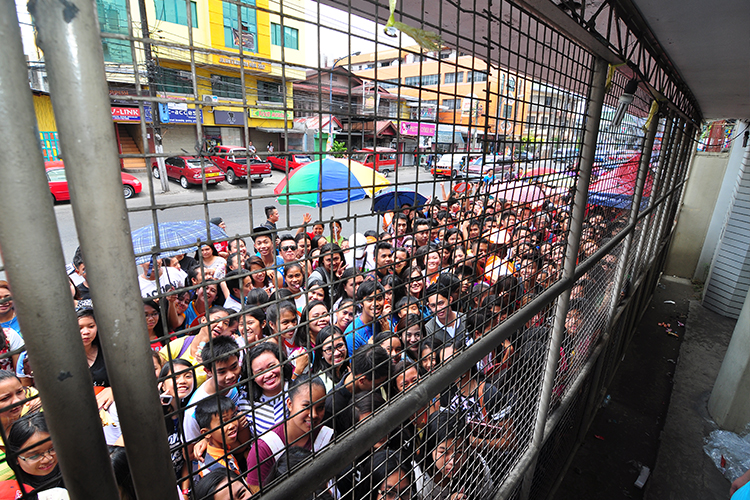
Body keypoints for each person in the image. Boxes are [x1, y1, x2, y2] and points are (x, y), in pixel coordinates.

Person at [246, 374, 332, 492]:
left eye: (320, 407)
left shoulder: (326, 436)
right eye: (306, 406)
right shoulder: (264, 449)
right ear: (289, 404)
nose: (314, 415)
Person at [324, 344, 390, 435]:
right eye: (378, 384)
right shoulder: (332, 406)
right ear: (362, 380)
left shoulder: (372, 386)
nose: (379, 387)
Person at [0, 412, 65, 496]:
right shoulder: (16, 493)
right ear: (15, 458)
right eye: (34, 456)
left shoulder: (79, 472)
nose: (47, 459)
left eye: (53, 449)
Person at [158, 359, 196, 484]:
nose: (182, 381)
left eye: (188, 376)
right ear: (162, 385)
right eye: (175, 377)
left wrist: (185, 492)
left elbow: (187, 460)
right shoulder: (152, 414)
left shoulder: (191, 411)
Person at [246, 342, 291, 438]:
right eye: (260, 372)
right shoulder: (245, 403)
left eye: (271, 366)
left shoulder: (297, 389)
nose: (268, 374)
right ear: (252, 377)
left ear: (281, 363)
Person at [193, 396, 241, 479]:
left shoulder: (221, 445)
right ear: (207, 433)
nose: (232, 425)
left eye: (233, 417)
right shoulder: (217, 469)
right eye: (223, 422)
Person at [344, 280, 388, 355]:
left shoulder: (386, 324)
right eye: (369, 300)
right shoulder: (352, 335)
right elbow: (354, 365)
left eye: (379, 299)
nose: (376, 304)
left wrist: (387, 333)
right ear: (361, 303)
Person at [311, 326, 349, 393]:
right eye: (329, 349)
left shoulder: (345, 371)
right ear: (321, 353)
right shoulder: (321, 382)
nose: (337, 353)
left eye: (340, 346)